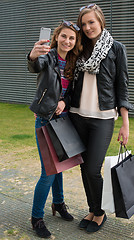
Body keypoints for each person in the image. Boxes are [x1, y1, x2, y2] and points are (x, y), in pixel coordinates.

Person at [69, 4, 134, 233]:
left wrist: (125, 124)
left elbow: (122, 87)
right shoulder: (78, 48)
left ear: (101, 22)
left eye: (91, 22)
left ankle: (101, 212)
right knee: (84, 167)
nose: (87, 27)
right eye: (84, 23)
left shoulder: (116, 48)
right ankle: (93, 208)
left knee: (93, 168)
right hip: (77, 115)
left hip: (103, 118)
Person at [27, 20, 82, 238]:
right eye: (64, 36)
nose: (67, 41)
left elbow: (72, 92)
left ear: (75, 42)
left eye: (71, 38)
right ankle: (36, 218)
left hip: (64, 120)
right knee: (48, 172)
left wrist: (64, 103)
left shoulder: (73, 62)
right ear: (56, 37)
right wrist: (32, 54)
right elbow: (34, 66)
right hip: (45, 119)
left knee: (61, 167)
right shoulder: (47, 56)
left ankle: (58, 204)